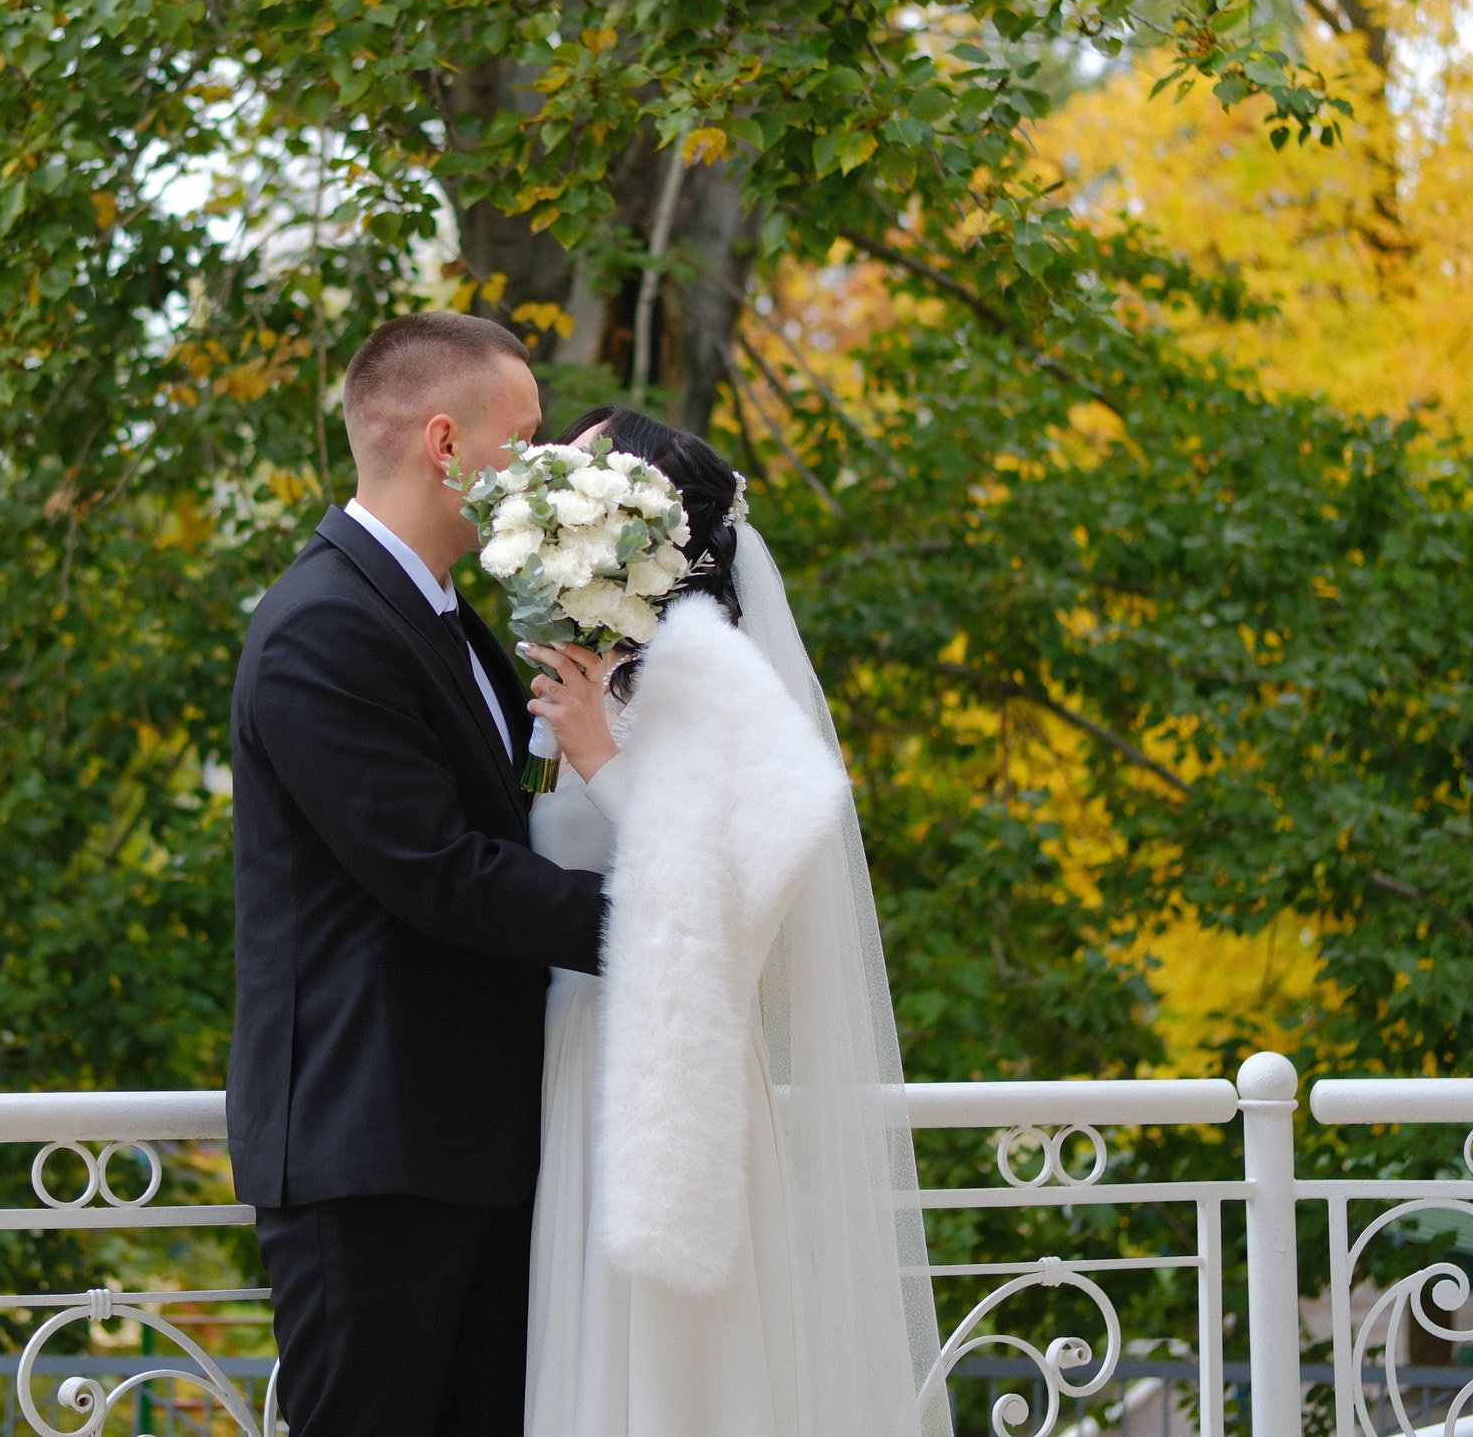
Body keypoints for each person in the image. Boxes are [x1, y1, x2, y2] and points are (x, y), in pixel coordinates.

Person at [516, 405, 942, 1437]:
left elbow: (737, 904)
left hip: (673, 1070)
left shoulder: (717, 680)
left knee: (674, 1376)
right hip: (567, 1052)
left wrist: (603, 765)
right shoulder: (588, 669)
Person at [226, 313, 609, 1437]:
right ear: (447, 443)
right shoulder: (321, 628)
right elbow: (436, 870)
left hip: (471, 1139)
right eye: (526, 437)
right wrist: (658, 923)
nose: (542, 467)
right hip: (374, 1151)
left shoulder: (450, 617)